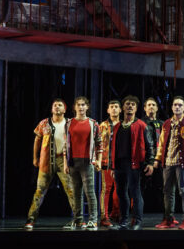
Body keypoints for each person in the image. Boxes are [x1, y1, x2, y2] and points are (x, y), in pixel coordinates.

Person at [26, 99, 79, 230]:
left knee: (71, 190)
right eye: (54, 105)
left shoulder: (70, 123)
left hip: (64, 161)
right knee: (40, 190)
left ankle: (78, 219)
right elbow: (37, 141)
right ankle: (31, 219)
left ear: (65, 109)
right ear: (51, 109)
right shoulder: (44, 123)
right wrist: (35, 157)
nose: (57, 107)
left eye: (60, 105)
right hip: (46, 161)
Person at [106, 95, 155, 230]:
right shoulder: (117, 126)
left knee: (135, 191)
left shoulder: (141, 125)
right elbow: (112, 148)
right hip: (119, 164)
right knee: (121, 193)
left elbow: (150, 145)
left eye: (133, 104)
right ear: (123, 107)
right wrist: (112, 166)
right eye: (127, 104)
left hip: (134, 163)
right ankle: (123, 221)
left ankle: (137, 221)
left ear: (136, 108)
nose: (130, 106)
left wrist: (150, 162)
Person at [154, 96, 184, 229]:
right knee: (167, 191)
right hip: (168, 162)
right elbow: (162, 143)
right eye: (175, 105)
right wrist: (158, 159)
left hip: (183, 163)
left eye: (180, 105)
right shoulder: (166, 124)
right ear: (172, 107)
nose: (177, 107)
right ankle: (168, 218)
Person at [67, 96, 102, 229]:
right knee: (76, 192)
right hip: (72, 162)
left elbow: (99, 143)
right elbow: (66, 145)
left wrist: (98, 160)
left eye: (83, 105)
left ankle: (93, 220)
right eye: (78, 105)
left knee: (89, 192)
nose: (81, 107)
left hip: (87, 162)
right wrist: (65, 163)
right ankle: (78, 220)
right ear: (74, 107)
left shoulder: (93, 123)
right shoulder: (69, 123)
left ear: (87, 107)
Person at [98, 99, 123, 227]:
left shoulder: (124, 125)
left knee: (120, 190)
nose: (114, 109)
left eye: (116, 107)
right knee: (106, 190)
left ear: (120, 110)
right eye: (111, 106)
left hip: (121, 163)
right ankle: (104, 217)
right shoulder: (102, 126)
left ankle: (116, 214)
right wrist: (98, 160)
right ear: (108, 110)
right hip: (106, 162)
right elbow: (98, 144)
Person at [142, 97, 164, 213]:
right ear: (145, 108)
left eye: (153, 105)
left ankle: (162, 213)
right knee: (143, 187)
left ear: (157, 108)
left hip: (160, 159)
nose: (151, 107)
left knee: (161, 186)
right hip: (146, 159)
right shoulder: (141, 123)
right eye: (149, 105)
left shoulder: (162, 124)